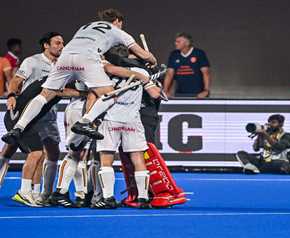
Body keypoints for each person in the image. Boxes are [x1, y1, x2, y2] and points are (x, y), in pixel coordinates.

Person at [2, 8, 157, 146]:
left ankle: (18, 128)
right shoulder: (118, 31)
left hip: (65, 57)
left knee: (44, 95)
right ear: (117, 21)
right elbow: (142, 54)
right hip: (87, 59)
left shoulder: (86, 26)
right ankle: (86, 121)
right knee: (110, 94)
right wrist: (152, 60)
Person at [93, 47, 162, 209]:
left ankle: (108, 198)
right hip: (132, 120)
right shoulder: (140, 71)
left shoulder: (103, 70)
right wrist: (151, 77)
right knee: (138, 159)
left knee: (106, 159)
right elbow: (155, 94)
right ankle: (144, 199)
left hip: (111, 119)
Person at [3, 32, 65, 206]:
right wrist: (12, 95)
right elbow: (16, 80)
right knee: (12, 152)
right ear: (46, 45)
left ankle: (39, 193)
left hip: (48, 116)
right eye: (57, 43)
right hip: (27, 113)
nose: (61, 46)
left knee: (48, 154)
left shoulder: (62, 66)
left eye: (62, 43)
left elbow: (63, 91)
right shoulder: (32, 61)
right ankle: (23, 191)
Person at [163, 33, 211, 98]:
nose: (175, 43)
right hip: (179, 93)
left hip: (198, 94)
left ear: (187, 43)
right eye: (175, 41)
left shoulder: (199, 53)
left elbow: (206, 73)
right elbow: (169, 74)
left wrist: (206, 91)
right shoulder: (174, 54)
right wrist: (165, 91)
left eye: (178, 42)